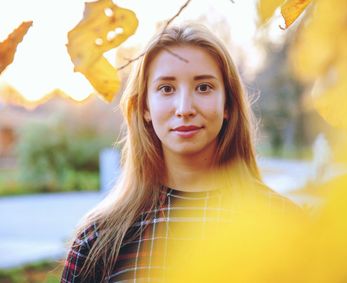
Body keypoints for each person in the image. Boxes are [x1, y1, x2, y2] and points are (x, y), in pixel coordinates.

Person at [61, 22, 299, 283]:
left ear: (228, 104)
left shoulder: (284, 225)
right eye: (166, 88)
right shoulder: (99, 239)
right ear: (144, 108)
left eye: (203, 87)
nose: (184, 108)